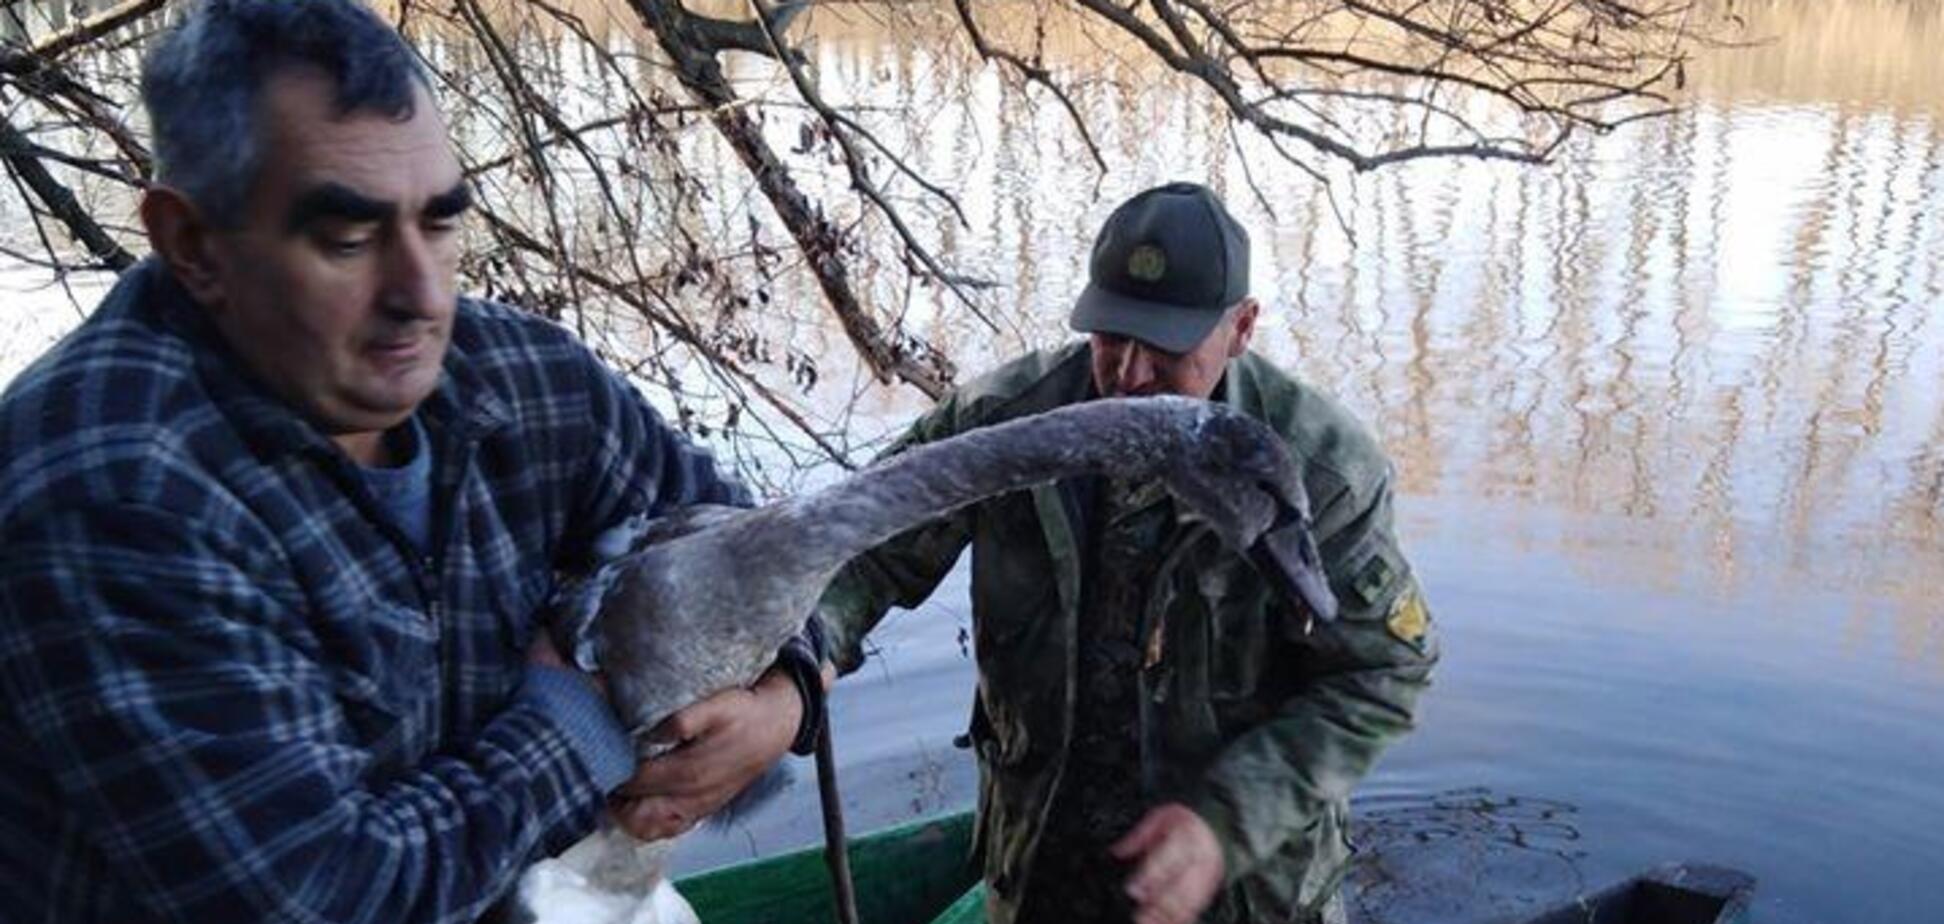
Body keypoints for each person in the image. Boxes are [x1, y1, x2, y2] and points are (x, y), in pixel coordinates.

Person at [0, 2, 825, 921]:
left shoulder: (519, 377)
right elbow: (326, 901)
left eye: (438, 224)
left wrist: (785, 699)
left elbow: (756, 548)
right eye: (348, 238)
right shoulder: (114, 498)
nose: (424, 298)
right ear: (192, 245)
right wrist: (580, 727)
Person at [816, 182, 1439, 924]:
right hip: (1044, 869)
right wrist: (809, 652)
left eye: (1168, 346)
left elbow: (1384, 672)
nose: (1132, 375)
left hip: (1236, 894)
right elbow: (862, 547)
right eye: (1113, 336)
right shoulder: (1005, 422)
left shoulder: (1321, 470)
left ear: (1240, 327)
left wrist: (1227, 821)